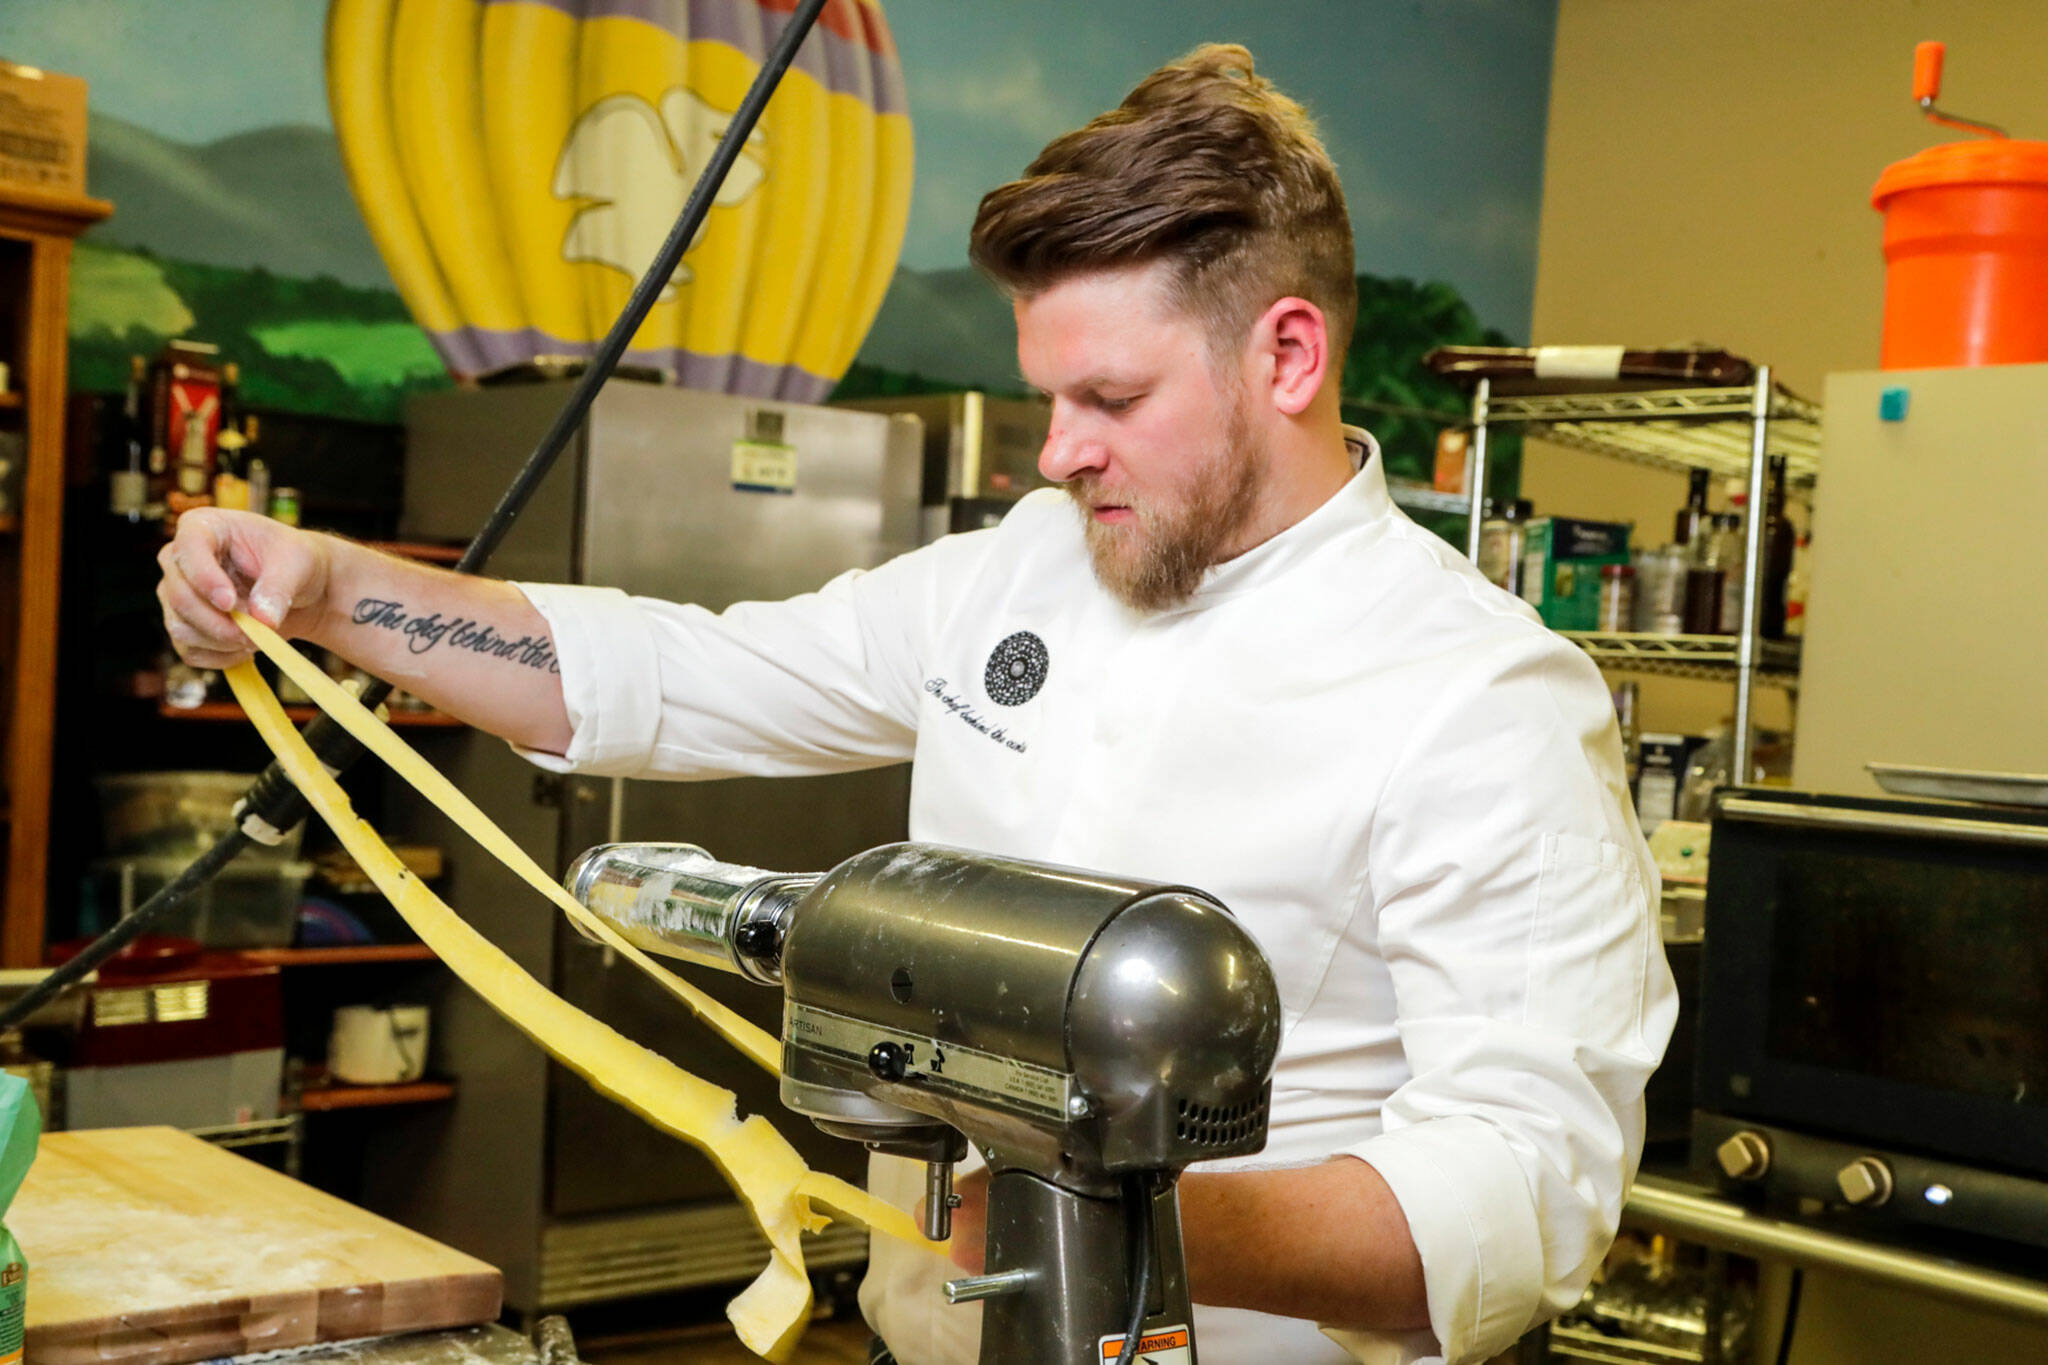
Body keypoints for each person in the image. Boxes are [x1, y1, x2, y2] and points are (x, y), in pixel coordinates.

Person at [158, 44, 1675, 1365]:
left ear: (1287, 352)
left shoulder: (1482, 698)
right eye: (1046, 396)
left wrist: (1103, 1213)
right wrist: (328, 593)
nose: (1054, 455)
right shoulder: (1022, 568)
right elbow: (684, 676)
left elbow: (1527, 1192)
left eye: (1112, 401)